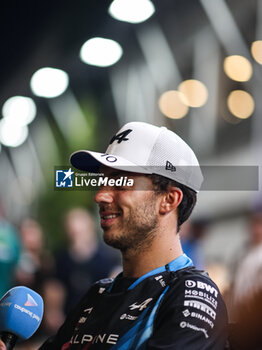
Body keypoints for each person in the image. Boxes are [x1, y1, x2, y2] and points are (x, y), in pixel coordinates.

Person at [0, 122, 228, 349]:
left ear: (168, 200)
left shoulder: (192, 295)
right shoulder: (98, 294)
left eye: (120, 182)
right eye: (103, 181)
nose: (100, 195)